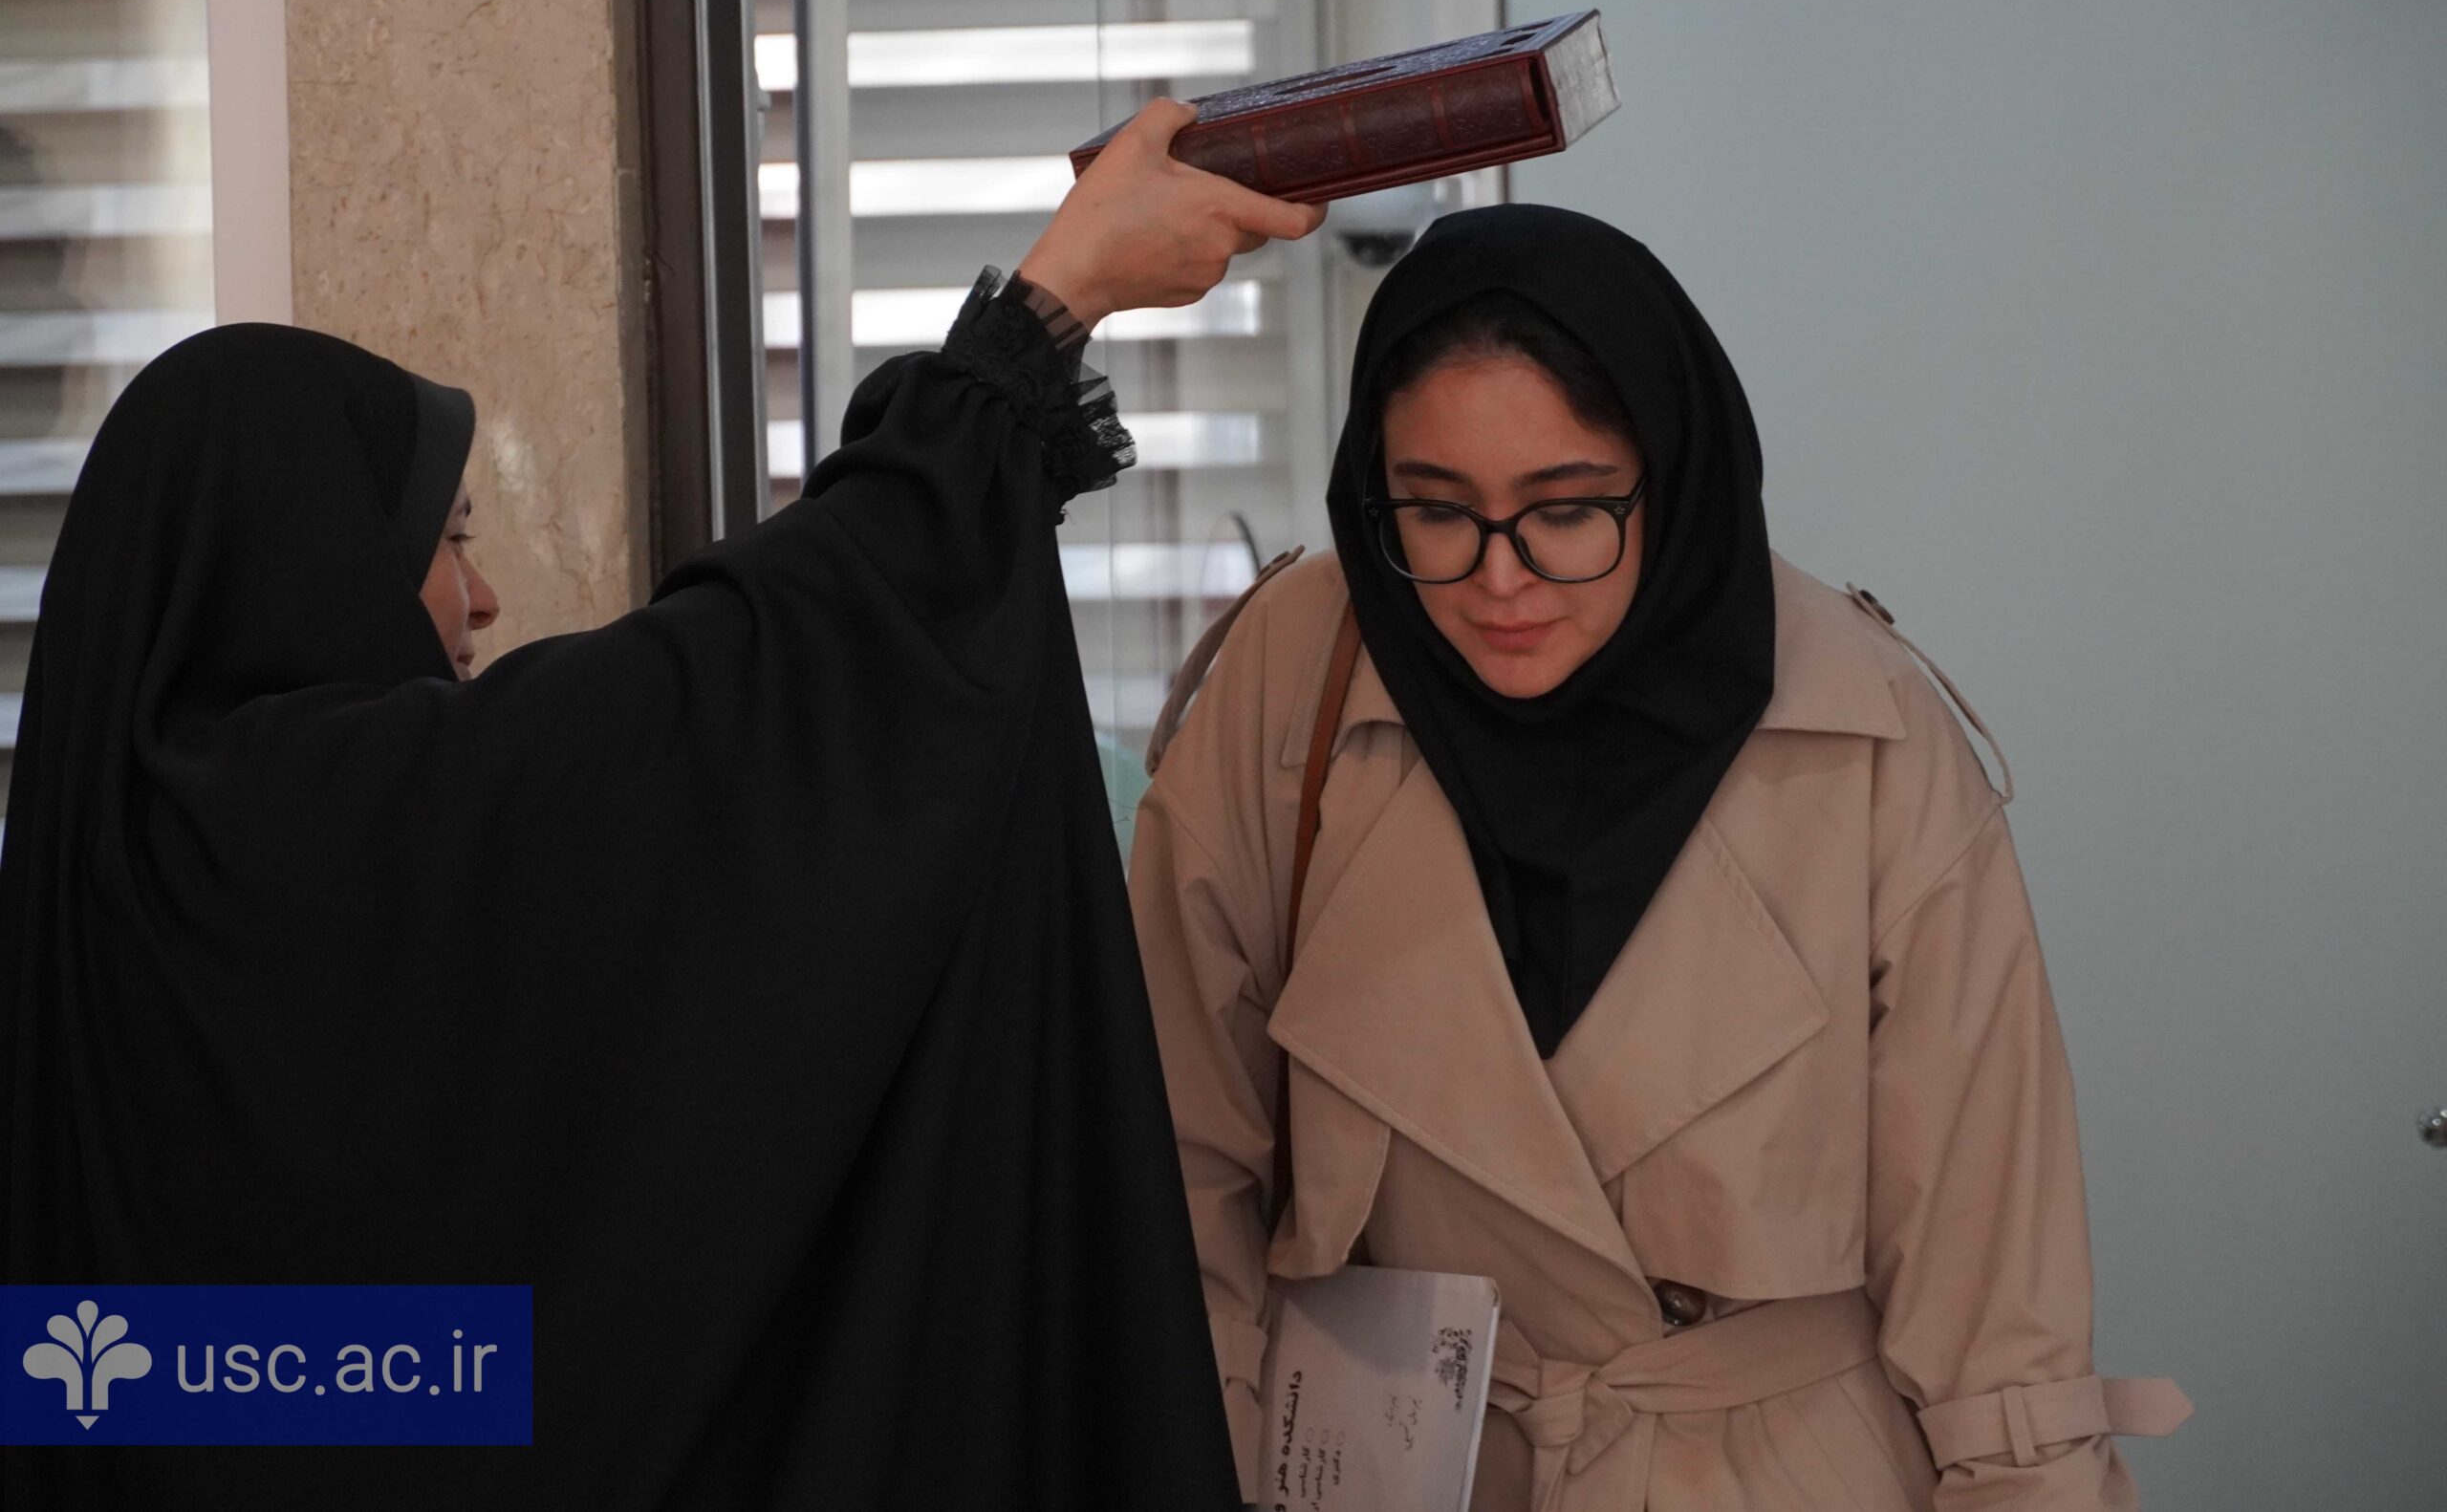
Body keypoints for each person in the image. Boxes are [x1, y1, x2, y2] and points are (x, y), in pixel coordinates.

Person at [1, 101, 1320, 1509]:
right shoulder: (334, 831)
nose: (481, 597)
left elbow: (336, 1370)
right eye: (444, 540)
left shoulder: (107, 897)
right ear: (310, 557)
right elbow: (750, 695)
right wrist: (1045, 314)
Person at [1131, 204, 2188, 1511]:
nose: (1500, 580)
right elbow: (1173, 1168)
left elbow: (1995, 1287)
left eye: (1569, 509)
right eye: (1437, 509)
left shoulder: (1868, 727)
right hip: (1388, 1455)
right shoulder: (1292, 678)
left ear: (1673, 475)